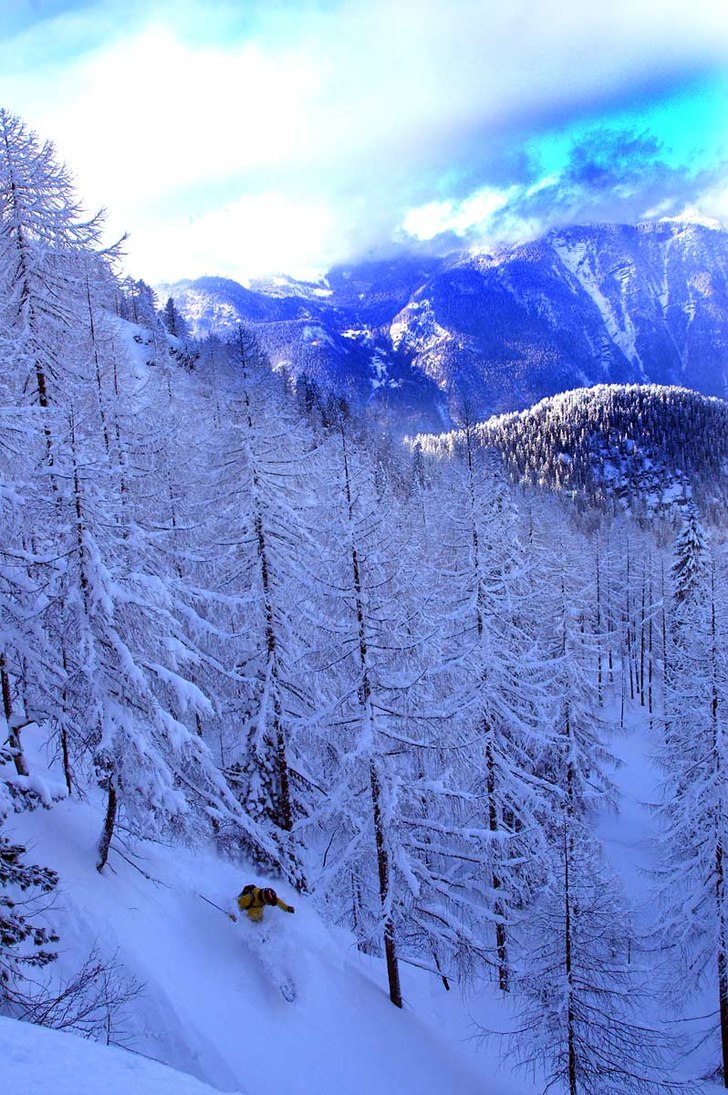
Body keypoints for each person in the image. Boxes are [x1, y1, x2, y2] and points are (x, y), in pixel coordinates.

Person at [229, 884, 295, 923]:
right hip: (249, 910)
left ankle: (259, 922)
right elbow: (236, 904)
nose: (270, 905)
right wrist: (233, 915)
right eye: (269, 903)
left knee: (259, 912)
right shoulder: (248, 899)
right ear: (265, 900)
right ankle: (255, 925)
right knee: (257, 913)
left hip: (255, 908)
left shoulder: (266, 896)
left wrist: (287, 908)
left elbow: (277, 901)